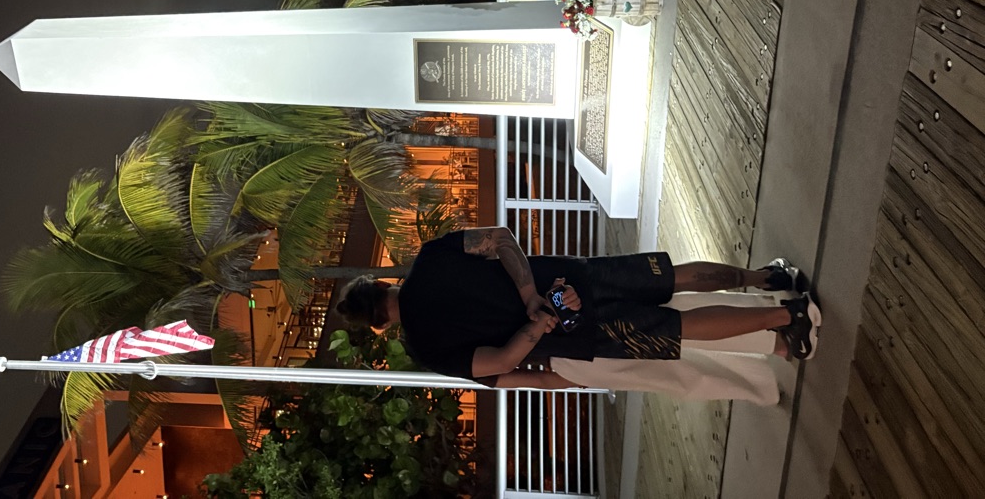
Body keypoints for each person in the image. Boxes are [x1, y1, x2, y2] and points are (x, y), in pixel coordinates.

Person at [336, 226, 820, 390]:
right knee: (675, 276)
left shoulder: (426, 350)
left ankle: (787, 317)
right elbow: (502, 240)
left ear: (378, 325)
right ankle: (769, 279)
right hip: (573, 275)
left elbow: (503, 363)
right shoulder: (431, 256)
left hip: (571, 333)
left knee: (680, 328)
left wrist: (534, 322)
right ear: (382, 284)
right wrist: (530, 291)